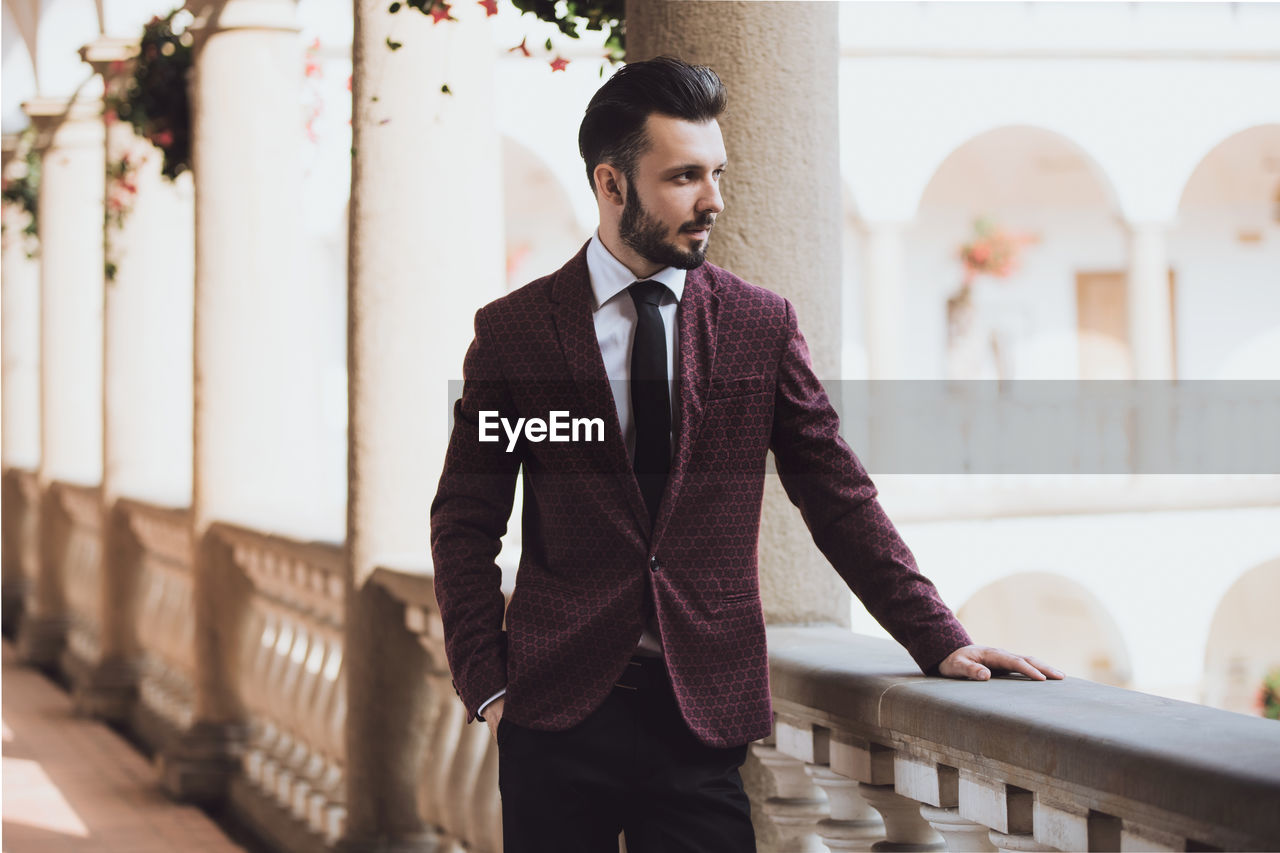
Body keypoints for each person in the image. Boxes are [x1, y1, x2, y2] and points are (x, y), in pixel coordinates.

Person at [430, 56, 1062, 853]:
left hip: (697, 722)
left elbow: (835, 490)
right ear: (612, 184)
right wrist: (487, 682)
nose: (713, 200)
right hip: (556, 719)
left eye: (717, 173)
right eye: (685, 177)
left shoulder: (759, 325)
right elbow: (464, 519)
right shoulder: (516, 332)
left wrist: (937, 634)